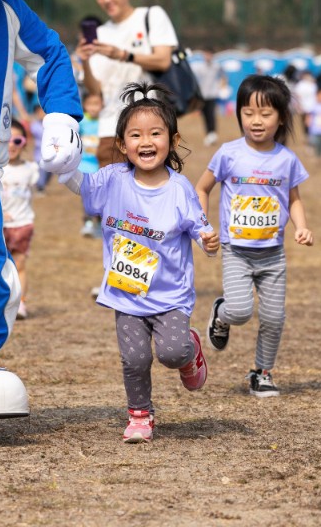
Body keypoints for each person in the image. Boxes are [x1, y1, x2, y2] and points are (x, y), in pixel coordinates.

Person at [61, 82, 217, 443]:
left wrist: (209, 242)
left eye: (155, 134)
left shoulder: (179, 189)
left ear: (173, 141)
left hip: (170, 296)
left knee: (171, 352)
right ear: (122, 145)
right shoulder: (112, 180)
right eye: (135, 135)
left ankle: (190, 352)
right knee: (134, 359)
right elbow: (78, 184)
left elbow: (200, 229)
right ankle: (140, 415)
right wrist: (61, 161)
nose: (146, 142)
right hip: (127, 293)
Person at [196, 74, 313, 398]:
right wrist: (203, 224)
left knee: (275, 318)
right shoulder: (228, 153)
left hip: (273, 255)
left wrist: (301, 227)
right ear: (239, 114)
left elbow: (294, 199)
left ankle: (261, 372)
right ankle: (221, 313)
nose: (256, 121)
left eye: (265, 114)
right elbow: (202, 188)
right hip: (237, 251)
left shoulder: (286, 160)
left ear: (281, 117)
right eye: (248, 113)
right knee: (241, 311)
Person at [76, 0, 177, 168]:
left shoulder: (151, 16)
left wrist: (123, 55)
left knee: (153, 194)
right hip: (110, 131)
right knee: (112, 199)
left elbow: (163, 60)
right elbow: (96, 91)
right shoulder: (100, 34)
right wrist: (85, 61)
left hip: (149, 128)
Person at [0, 120, 38, 320]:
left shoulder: (31, 169)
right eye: (8, 139)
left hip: (23, 224)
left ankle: (21, 303)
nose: (12, 145)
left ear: (24, 143)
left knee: (20, 264)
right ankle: (0, 302)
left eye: (18, 140)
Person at [78, 91, 102, 238]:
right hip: (84, 166)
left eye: (97, 104)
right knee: (87, 197)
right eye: (90, 104)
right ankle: (87, 223)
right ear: (85, 105)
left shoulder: (105, 122)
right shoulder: (81, 122)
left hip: (100, 166)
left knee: (101, 197)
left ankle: (99, 223)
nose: (93, 108)